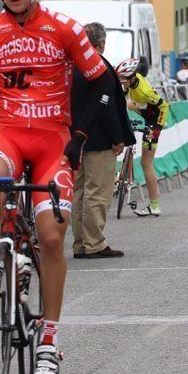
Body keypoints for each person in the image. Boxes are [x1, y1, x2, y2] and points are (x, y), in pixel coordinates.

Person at [0, 0, 116, 374]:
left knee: (50, 238)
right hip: (9, 132)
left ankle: (48, 338)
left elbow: (102, 86)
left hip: (53, 141)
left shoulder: (64, 28)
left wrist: (80, 138)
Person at [71, 22, 136, 259]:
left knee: (79, 192)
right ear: (101, 43)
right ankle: (95, 243)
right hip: (99, 138)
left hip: (75, 139)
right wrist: (117, 137)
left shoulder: (72, 66)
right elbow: (106, 106)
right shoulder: (99, 67)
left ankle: (80, 243)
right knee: (98, 191)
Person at [117, 57, 170, 217]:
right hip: (143, 109)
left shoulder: (144, 91)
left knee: (146, 163)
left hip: (154, 121)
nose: (121, 82)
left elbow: (164, 106)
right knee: (124, 103)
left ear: (132, 77)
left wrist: (156, 128)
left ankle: (154, 205)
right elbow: (124, 95)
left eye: (123, 79)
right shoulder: (132, 82)